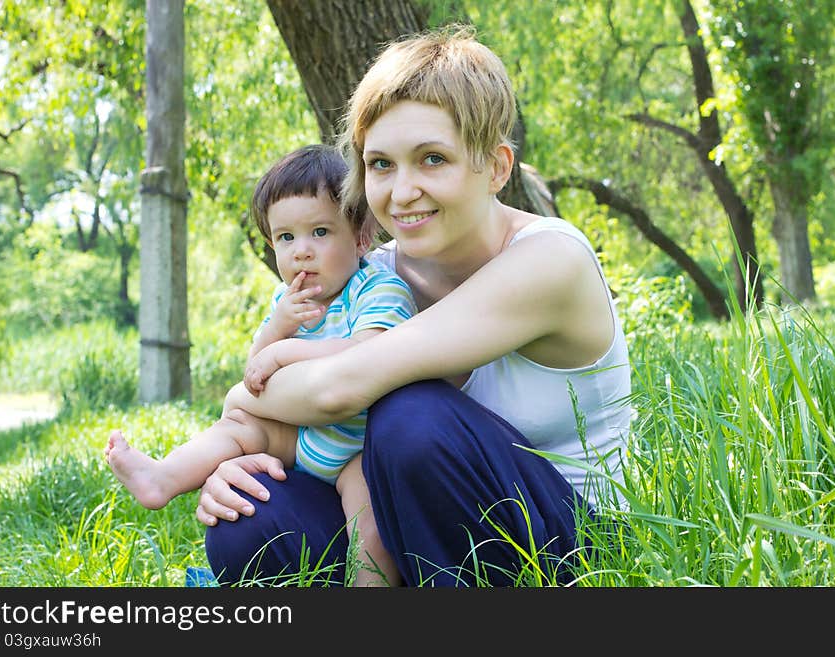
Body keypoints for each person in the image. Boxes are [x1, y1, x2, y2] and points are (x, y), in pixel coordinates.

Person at [197, 25, 632, 587]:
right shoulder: (373, 278)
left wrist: (248, 399)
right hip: (416, 519)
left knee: (411, 419)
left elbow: (334, 390)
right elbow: (287, 398)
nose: (401, 192)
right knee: (251, 517)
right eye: (381, 164)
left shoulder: (550, 259)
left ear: (497, 167)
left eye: (432, 159)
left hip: (568, 535)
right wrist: (239, 456)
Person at [105, 144, 417, 587]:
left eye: (321, 232)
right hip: (301, 437)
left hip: (360, 447)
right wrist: (276, 329)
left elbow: (368, 353)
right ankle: (162, 477)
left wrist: (284, 352)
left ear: (361, 235)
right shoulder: (286, 302)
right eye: (286, 238)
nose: (301, 252)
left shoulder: (378, 289)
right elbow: (255, 379)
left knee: (368, 524)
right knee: (239, 426)